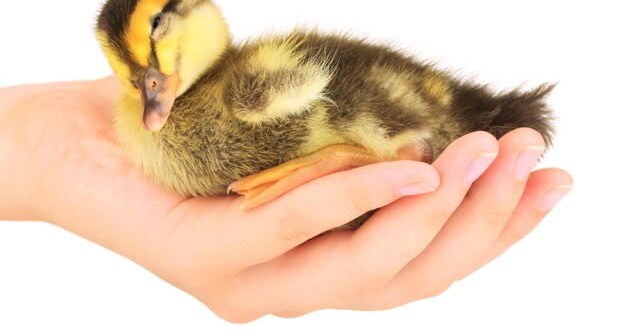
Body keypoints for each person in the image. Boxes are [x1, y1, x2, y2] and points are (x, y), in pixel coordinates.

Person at [0, 77, 572, 323]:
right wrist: (42, 146)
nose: (148, 90)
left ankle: (376, 154)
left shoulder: (246, 90)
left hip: (400, 124)